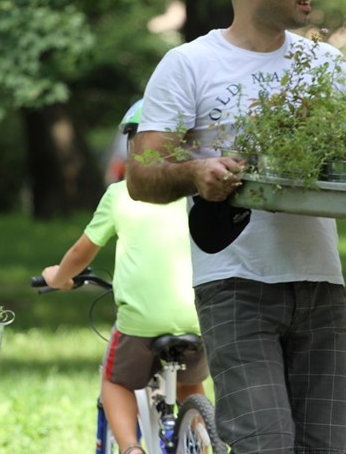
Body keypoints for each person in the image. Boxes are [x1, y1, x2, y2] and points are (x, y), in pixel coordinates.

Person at [126, 0, 346, 453]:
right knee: (265, 444)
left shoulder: (324, 65)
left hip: (322, 284)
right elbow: (141, 174)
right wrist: (194, 173)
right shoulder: (189, 65)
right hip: (237, 284)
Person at [41, 99, 209, 454]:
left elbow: (81, 253)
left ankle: (132, 448)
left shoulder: (121, 194)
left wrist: (59, 277)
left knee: (114, 381)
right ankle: (202, 432)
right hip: (198, 317)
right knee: (190, 386)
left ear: (133, 146)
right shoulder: (196, 195)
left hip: (141, 322)